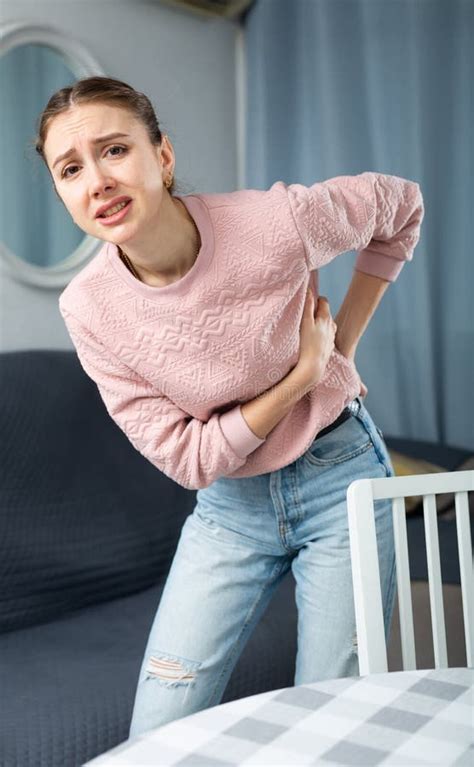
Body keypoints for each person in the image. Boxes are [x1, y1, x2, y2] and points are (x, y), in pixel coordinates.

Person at [36, 76, 424, 739]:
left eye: (114, 151)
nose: (96, 180)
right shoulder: (89, 309)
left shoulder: (278, 223)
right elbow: (188, 458)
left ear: (163, 157)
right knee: (158, 728)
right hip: (229, 506)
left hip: (342, 476)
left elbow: (401, 205)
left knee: (332, 717)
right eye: (70, 168)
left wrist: (340, 352)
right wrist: (303, 374)